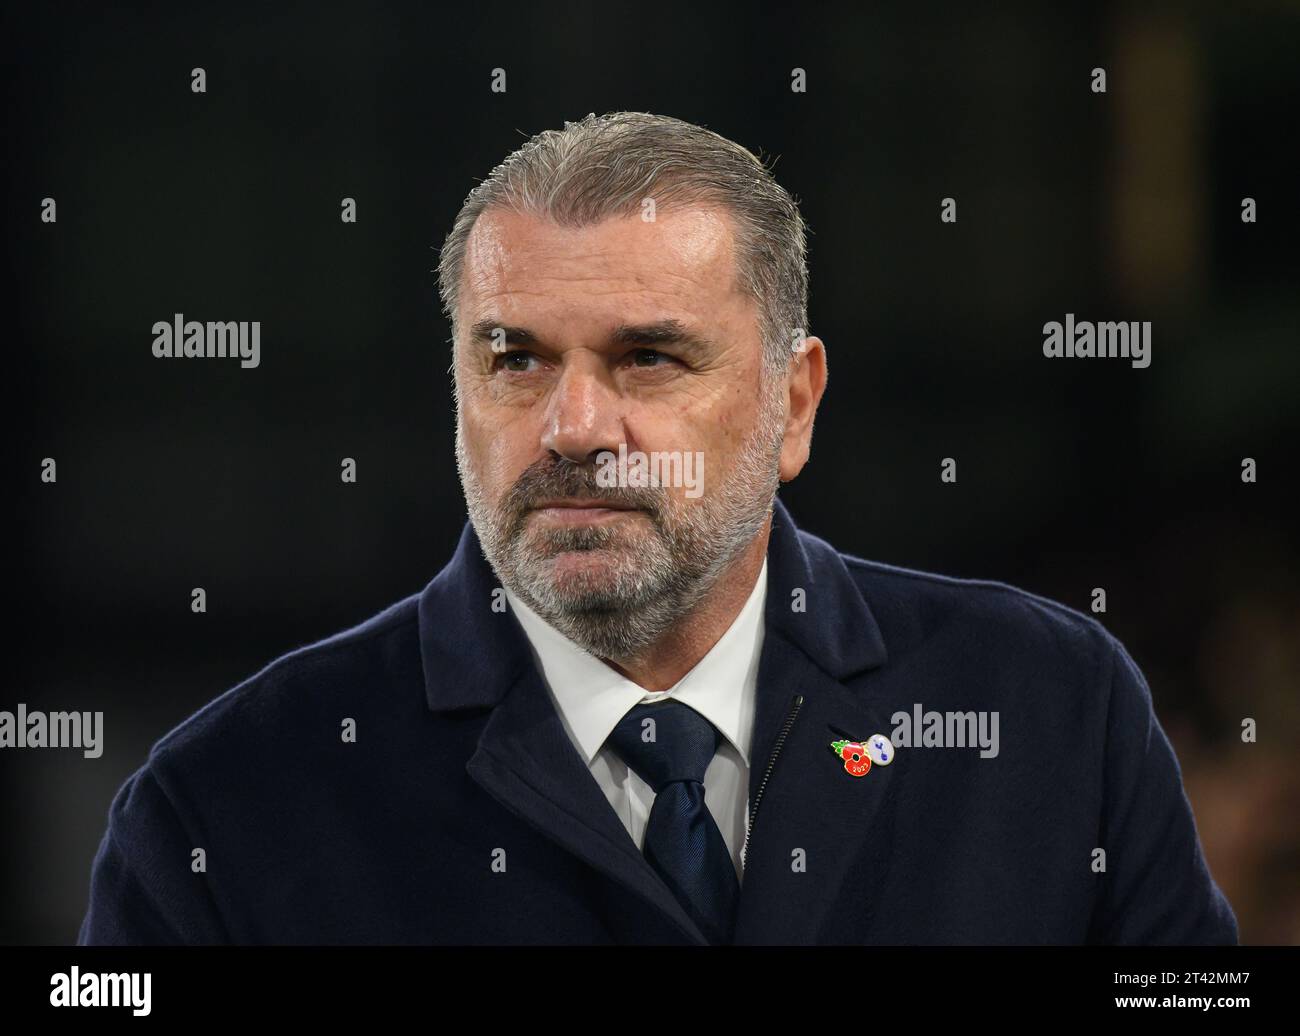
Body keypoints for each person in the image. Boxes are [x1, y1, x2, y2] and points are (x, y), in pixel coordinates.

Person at [78, 111, 1237, 945]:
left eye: (648, 355)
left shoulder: (1051, 710)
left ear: (793, 403)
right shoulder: (226, 806)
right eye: (514, 359)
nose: (574, 426)